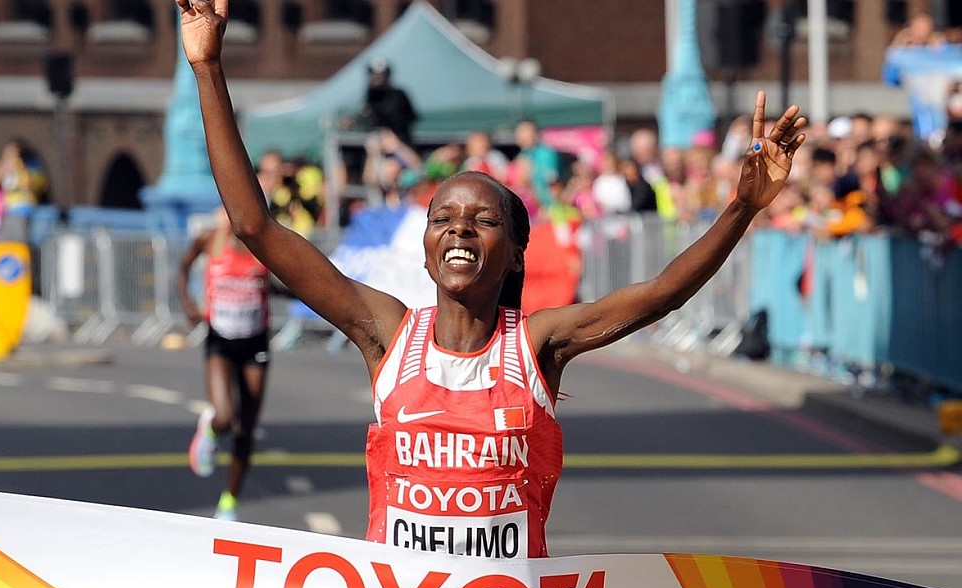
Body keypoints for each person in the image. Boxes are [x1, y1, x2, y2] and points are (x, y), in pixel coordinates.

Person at [177, 0, 806, 556]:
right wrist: (207, 67)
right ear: (426, 251)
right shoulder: (387, 334)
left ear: (515, 255)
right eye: (443, 219)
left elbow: (661, 293)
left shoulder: (537, 345)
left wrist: (741, 208)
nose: (459, 230)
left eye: (483, 221)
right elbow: (255, 227)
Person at [177, 206, 272, 522]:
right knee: (225, 415)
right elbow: (182, 268)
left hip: (255, 343)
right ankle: (212, 428)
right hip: (220, 340)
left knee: (246, 428)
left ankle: (229, 502)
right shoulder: (211, 238)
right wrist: (189, 306)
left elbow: (291, 282)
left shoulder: (266, 244)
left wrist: (271, 287)